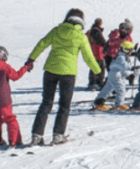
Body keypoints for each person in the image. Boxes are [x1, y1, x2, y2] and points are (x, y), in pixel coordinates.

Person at [26, 8, 101, 146]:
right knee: (64, 105)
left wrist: (31, 59)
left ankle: (36, 136)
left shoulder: (57, 30)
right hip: (68, 73)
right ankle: (58, 135)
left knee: (46, 102)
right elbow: (88, 57)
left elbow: (42, 43)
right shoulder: (81, 36)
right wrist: (98, 70)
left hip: (50, 70)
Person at [94, 40, 135, 111]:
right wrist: (132, 70)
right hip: (116, 75)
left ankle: (99, 102)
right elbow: (125, 67)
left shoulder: (122, 55)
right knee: (121, 90)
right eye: (130, 50)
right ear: (126, 50)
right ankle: (119, 104)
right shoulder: (121, 58)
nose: (131, 52)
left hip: (113, 74)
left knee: (108, 88)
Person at [86, 18, 107, 90]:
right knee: (99, 67)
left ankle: (95, 82)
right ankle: (96, 82)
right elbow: (101, 41)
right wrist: (107, 45)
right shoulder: (96, 31)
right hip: (98, 52)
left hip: (95, 51)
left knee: (96, 66)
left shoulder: (93, 30)